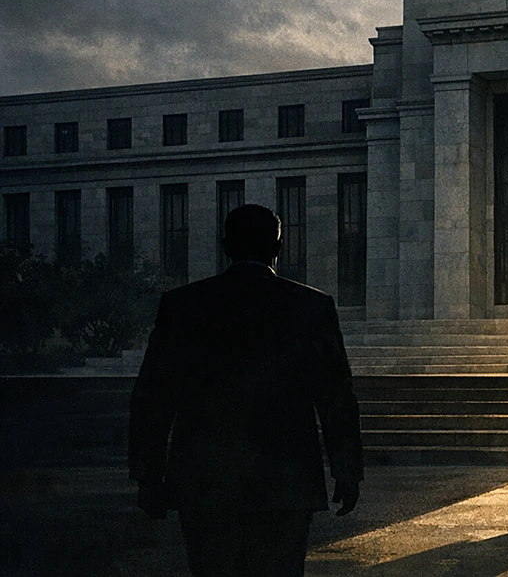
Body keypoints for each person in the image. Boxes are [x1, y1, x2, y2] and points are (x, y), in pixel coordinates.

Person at [129, 204, 363, 576]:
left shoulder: (183, 306)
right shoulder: (311, 306)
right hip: (285, 482)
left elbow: (153, 397)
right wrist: (346, 471)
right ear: (277, 247)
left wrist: (148, 476)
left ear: (225, 247)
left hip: (205, 480)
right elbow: (336, 396)